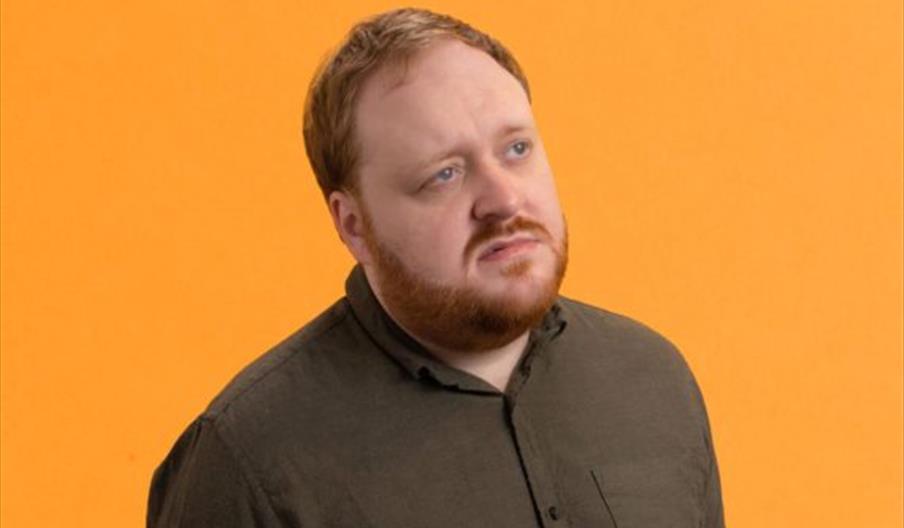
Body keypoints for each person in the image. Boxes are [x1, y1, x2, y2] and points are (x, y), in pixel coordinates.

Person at [148, 8, 724, 528]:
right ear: (354, 224)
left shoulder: (654, 380)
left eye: (516, 149)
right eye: (444, 174)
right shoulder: (247, 462)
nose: (503, 200)